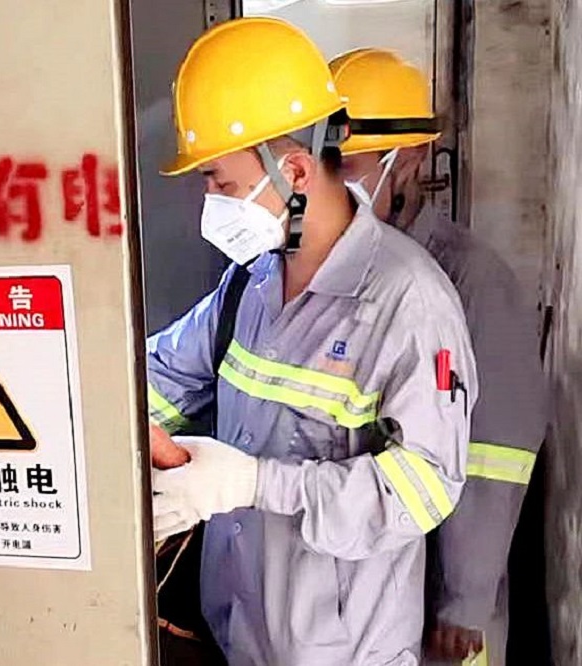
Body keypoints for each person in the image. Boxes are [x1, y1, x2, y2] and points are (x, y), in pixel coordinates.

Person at [146, 17, 479, 665]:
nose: (209, 200)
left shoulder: (406, 302)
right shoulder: (251, 283)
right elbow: (164, 376)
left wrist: (256, 485)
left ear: (295, 171)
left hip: (345, 652)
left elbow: (423, 488)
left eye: (221, 182)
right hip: (239, 634)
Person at [329, 47, 548, 666]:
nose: (331, 183)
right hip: (358, 582)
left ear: (411, 158)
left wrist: (464, 599)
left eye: (350, 164)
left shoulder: (469, 279)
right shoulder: (327, 272)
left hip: (434, 602)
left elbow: (497, 450)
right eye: (324, 163)